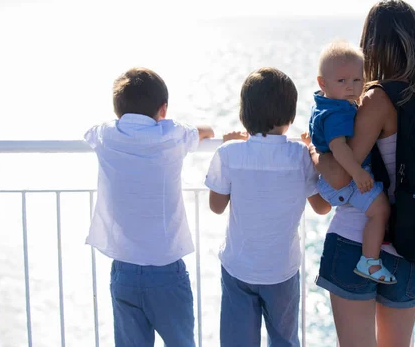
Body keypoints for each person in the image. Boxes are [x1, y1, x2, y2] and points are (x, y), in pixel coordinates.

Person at [308, 0, 415, 347]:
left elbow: (342, 176)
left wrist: (314, 150)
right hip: (410, 244)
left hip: (354, 241)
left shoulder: (376, 99)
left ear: (371, 44)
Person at [84, 67, 214, 347]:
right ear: (163, 109)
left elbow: (91, 133)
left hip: (125, 271)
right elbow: (204, 132)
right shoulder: (173, 135)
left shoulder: (107, 135)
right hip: (166, 271)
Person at [204, 67, 331, 347]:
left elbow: (216, 206)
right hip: (281, 270)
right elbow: (322, 207)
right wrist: (313, 153)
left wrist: (229, 148)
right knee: (284, 340)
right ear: (290, 116)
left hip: (239, 268)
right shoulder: (299, 156)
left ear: (244, 113)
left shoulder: (228, 154)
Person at [307, 40, 394, 284]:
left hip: (333, 181)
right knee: (381, 211)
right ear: (323, 83)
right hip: (347, 182)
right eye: (342, 81)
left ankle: (311, 186)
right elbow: (339, 148)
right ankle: (370, 261)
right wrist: (357, 173)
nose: (351, 87)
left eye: (357, 80)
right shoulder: (338, 113)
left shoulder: (325, 104)